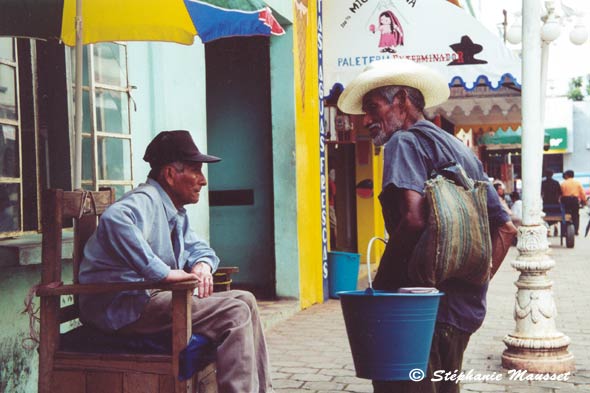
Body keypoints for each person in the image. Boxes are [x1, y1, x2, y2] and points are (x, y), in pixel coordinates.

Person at [337, 58, 517, 393]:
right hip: (461, 313)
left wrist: (382, 287)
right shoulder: (459, 150)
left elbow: (413, 218)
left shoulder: (403, 142)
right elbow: (506, 229)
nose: (366, 120)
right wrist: (474, 277)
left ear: (402, 101)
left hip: (415, 314)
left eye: (373, 108)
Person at [78, 130, 273, 393]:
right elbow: (115, 220)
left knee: (246, 300)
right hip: (124, 307)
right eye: (195, 171)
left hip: (149, 300)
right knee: (234, 313)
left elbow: (200, 248)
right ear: (170, 174)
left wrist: (202, 265)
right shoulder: (146, 199)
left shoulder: (173, 210)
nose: (203, 181)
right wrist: (162, 273)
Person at [560, 169, 586, 235]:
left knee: (565, 215)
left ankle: (564, 231)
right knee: (576, 215)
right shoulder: (578, 183)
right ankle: (576, 230)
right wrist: (584, 201)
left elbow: (560, 194)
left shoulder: (563, 183)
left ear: (567, 175)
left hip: (565, 200)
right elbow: (582, 193)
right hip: (574, 200)